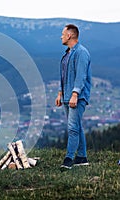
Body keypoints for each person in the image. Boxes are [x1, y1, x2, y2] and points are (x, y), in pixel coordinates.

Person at [55, 24, 92, 170]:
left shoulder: (81, 53)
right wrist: (60, 93)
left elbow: (81, 76)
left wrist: (75, 94)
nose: (61, 36)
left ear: (70, 35)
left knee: (72, 128)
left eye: (63, 33)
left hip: (77, 96)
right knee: (76, 126)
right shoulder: (67, 53)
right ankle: (82, 157)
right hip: (66, 96)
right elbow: (64, 76)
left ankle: (68, 159)